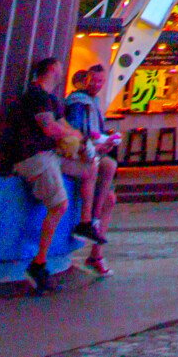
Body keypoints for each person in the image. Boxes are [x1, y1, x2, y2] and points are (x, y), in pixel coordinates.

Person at [0, 57, 76, 294]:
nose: (62, 72)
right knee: (59, 205)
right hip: (34, 156)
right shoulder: (38, 97)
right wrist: (73, 138)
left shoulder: (48, 98)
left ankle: (86, 222)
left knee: (92, 169)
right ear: (52, 69)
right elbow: (49, 128)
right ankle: (39, 262)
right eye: (60, 68)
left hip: (45, 154)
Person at [62, 64, 121, 276]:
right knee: (106, 170)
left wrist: (104, 140)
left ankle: (96, 250)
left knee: (110, 195)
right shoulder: (78, 103)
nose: (97, 85)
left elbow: (94, 132)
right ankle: (92, 224)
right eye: (94, 81)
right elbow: (77, 132)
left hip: (91, 150)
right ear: (84, 80)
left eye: (101, 82)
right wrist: (98, 143)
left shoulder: (91, 102)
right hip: (82, 153)